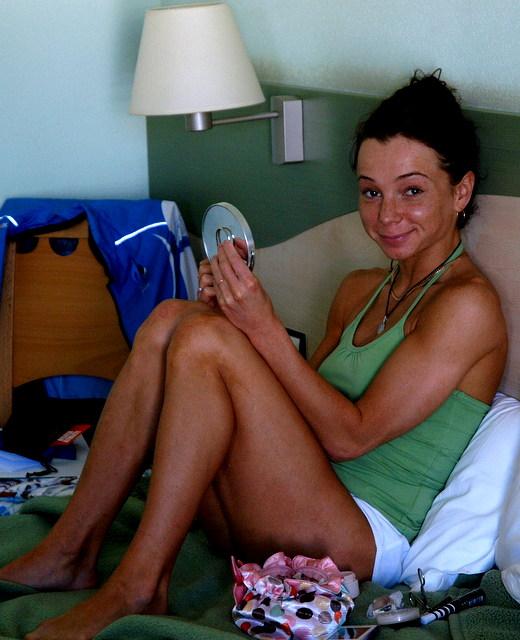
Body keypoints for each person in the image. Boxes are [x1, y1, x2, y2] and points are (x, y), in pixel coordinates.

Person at [0, 71, 507, 640]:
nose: (387, 215)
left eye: (411, 191)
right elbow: (296, 417)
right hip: (281, 505)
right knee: (172, 321)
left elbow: (351, 437)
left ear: (460, 191)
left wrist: (258, 329)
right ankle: (71, 549)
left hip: (358, 538)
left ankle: (139, 584)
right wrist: (226, 318)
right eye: (371, 192)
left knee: (205, 338)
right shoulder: (359, 289)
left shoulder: (467, 305)